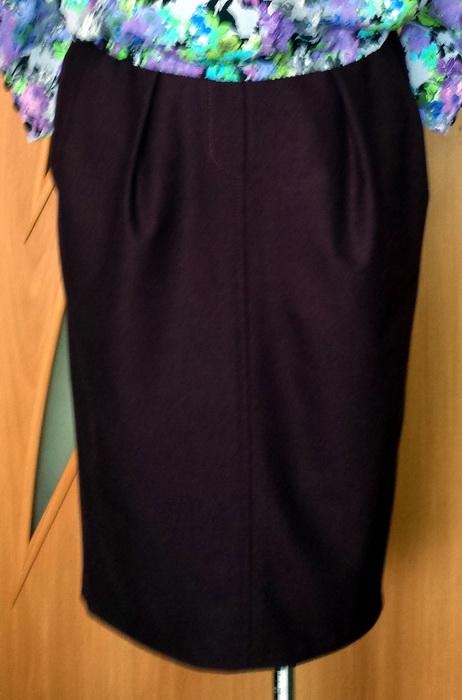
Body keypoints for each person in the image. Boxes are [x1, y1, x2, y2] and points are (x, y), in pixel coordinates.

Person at [0, 0, 458, 672]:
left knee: (337, 426)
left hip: (339, 98)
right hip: (136, 98)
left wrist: (437, 63)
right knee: (151, 436)